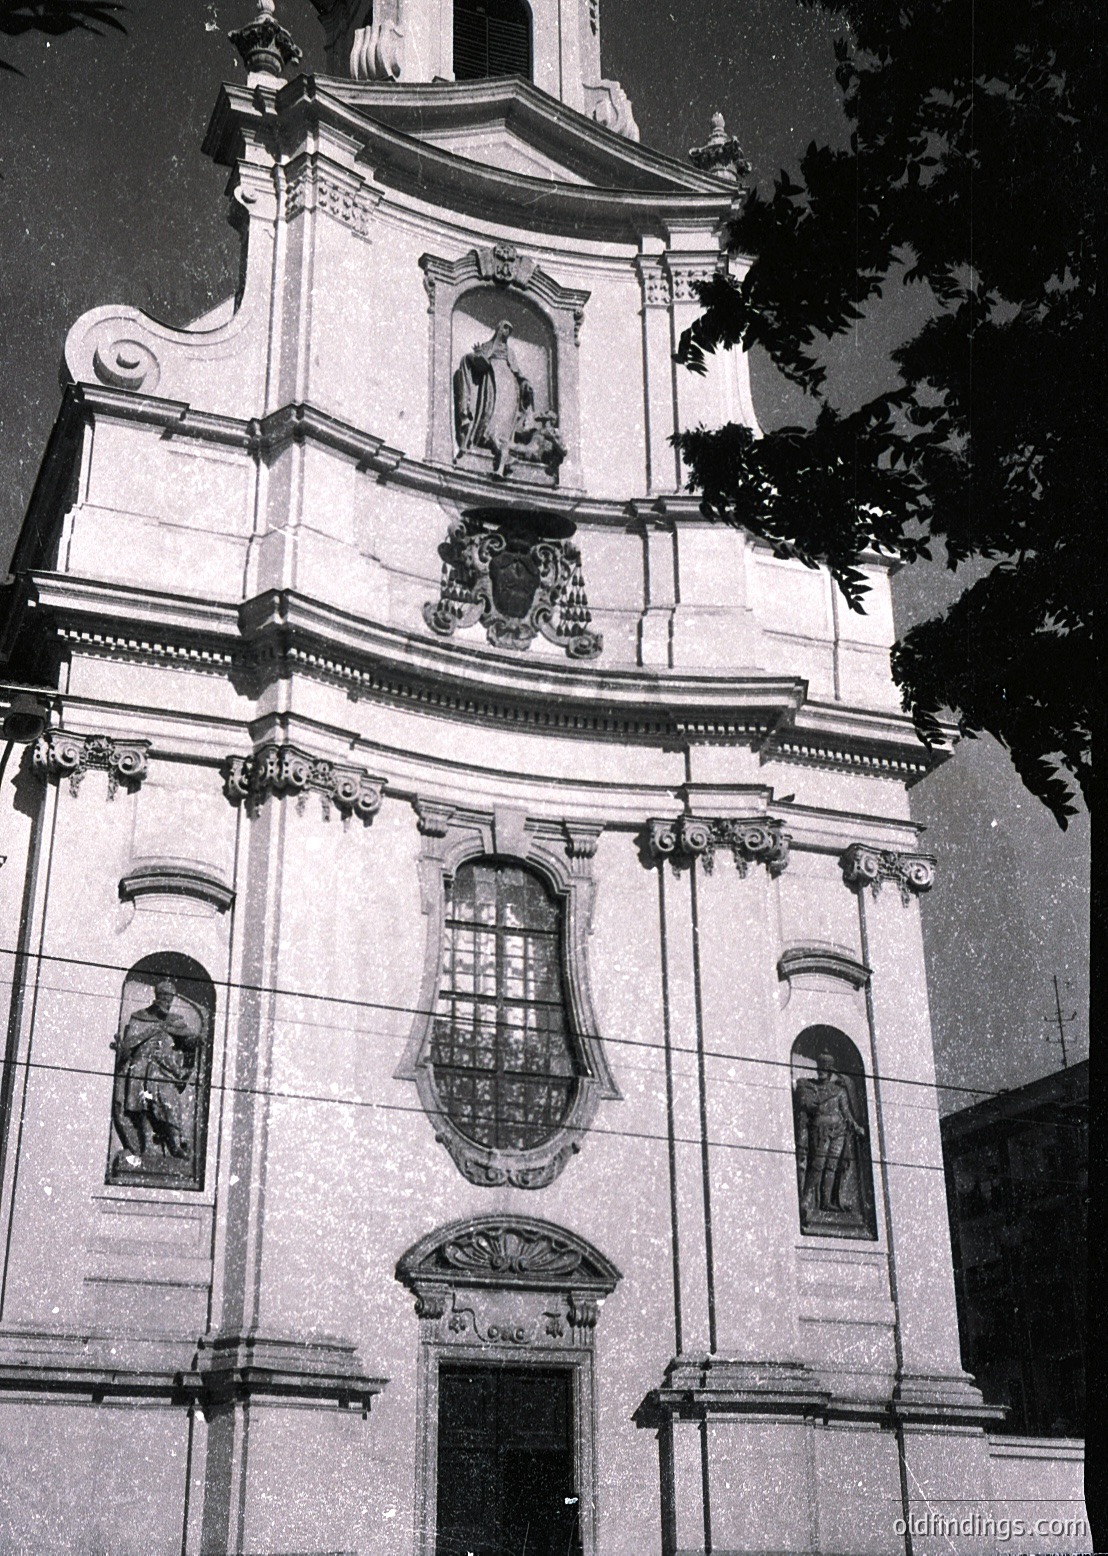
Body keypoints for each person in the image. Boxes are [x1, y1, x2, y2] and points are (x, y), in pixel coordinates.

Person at [111, 977, 199, 1170]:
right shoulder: (139, 1017)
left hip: (165, 1070)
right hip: (141, 1068)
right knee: (142, 1108)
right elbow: (128, 1046)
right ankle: (145, 1149)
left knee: (170, 1105)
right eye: (164, 997)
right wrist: (125, 1048)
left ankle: (175, 1146)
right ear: (157, 996)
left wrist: (193, 1041)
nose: (167, 1001)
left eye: (170, 998)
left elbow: (188, 1041)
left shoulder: (175, 1020)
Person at [453, 319, 536, 478]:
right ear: (498, 329)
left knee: (506, 415)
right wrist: (478, 355)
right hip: (492, 382)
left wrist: (524, 381)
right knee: (491, 412)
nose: (507, 331)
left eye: (509, 329)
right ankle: (494, 445)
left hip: (509, 386)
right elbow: (480, 365)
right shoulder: (487, 346)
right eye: (505, 327)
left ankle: (503, 450)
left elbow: (517, 372)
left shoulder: (510, 353)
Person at [795, 1051, 867, 1218]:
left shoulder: (839, 1091)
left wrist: (856, 1127)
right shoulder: (808, 1086)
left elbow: (846, 1112)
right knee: (817, 1165)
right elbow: (806, 1105)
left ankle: (827, 1201)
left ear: (830, 1072)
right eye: (820, 1069)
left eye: (825, 1070)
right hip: (820, 1131)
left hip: (839, 1132)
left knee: (832, 1167)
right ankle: (807, 1199)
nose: (822, 1072)